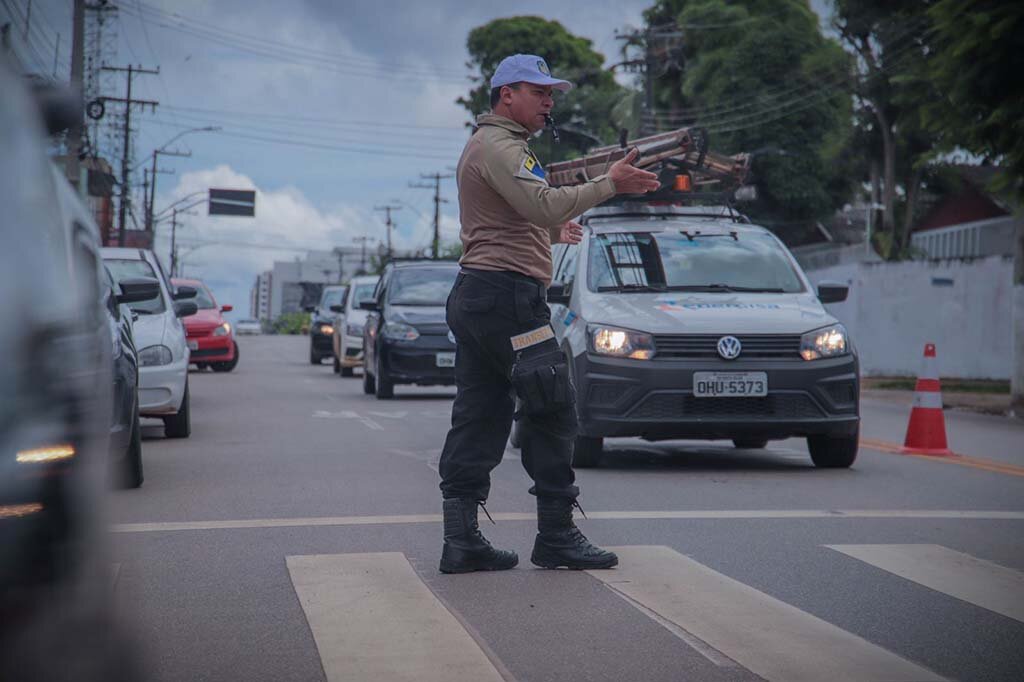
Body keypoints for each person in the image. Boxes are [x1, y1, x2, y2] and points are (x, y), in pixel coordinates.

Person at [438, 54, 660, 574]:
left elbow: (512, 217)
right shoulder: (500, 146)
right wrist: (609, 184)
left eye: (551, 93)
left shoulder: (495, 146)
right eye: (540, 92)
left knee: (480, 414)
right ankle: (556, 536)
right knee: (552, 407)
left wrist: (551, 232)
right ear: (507, 94)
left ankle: (462, 541)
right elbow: (541, 205)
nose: (550, 102)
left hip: (481, 295)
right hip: (508, 300)